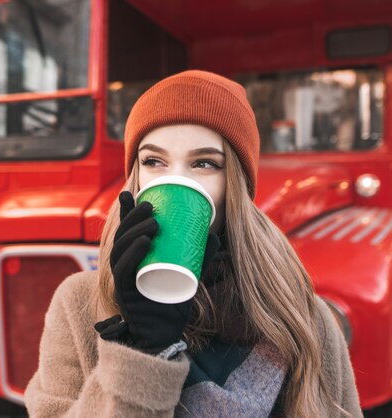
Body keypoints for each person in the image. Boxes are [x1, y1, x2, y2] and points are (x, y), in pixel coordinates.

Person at [24, 70, 362, 417]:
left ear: (236, 185)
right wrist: (142, 352)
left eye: (204, 163)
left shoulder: (302, 317)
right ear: (136, 178)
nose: (176, 180)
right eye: (154, 161)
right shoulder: (79, 305)